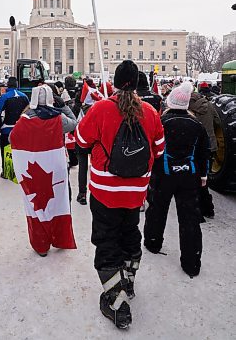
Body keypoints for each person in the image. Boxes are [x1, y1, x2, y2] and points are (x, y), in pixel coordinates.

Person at [75, 60, 165, 330]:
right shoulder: (150, 111)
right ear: (137, 83)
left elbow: (80, 140)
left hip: (105, 190)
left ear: (114, 82)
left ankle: (116, 301)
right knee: (129, 232)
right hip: (136, 191)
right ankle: (128, 279)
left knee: (106, 240)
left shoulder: (101, 108)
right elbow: (159, 149)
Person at [144, 81, 210, 279]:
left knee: (157, 209)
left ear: (170, 102)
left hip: (163, 176)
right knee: (189, 218)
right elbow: (204, 152)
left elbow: (151, 149)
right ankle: (192, 262)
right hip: (188, 176)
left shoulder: (162, 122)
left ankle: (153, 242)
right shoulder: (196, 125)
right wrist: (204, 175)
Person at [10, 84, 77, 256]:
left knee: (37, 206)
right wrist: (64, 106)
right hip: (55, 169)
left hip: (33, 170)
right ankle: (59, 237)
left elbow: (13, 138)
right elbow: (73, 124)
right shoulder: (58, 118)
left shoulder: (25, 119)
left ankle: (41, 244)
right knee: (58, 204)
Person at [189, 85, 219, 219]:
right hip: (210, 145)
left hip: (195, 146)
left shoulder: (189, 108)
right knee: (204, 177)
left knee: (195, 178)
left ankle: (198, 209)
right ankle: (208, 208)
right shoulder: (210, 106)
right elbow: (218, 121)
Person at [0, 76, 29, 177]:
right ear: (17, 85)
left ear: (8, 85)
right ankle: (21, 171)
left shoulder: (4, 97)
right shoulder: (24, 96)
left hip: (7, 129)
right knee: (21, 151)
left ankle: (7, 172)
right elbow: (28, 112)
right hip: (21, 130)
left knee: (6, 151)